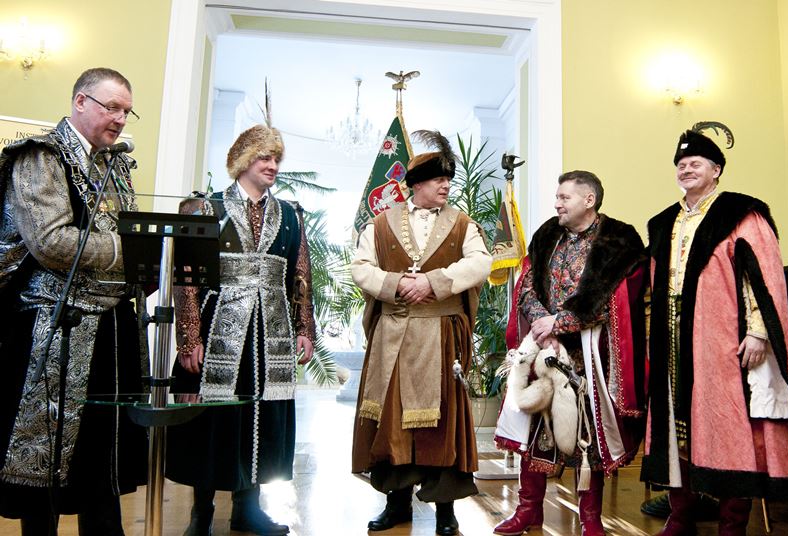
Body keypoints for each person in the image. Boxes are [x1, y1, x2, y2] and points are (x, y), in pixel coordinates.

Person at [0, 67, 148, 535]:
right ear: (80, 101)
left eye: (127, 111)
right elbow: (51, 242)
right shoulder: (39, 157)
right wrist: (130, 252)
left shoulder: (114, 165)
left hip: (110, 329)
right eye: (112, 107)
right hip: (51, 326)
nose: (120, 119)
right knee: (44, 459)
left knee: (101, 458)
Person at [641, 124, 788, 535]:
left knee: (728, 426)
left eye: (696, 163)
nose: (686, 169)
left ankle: (732, 524)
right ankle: (681, 516)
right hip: (671, 338)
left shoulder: (741, 214)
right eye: (681, 164)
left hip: (721, 338)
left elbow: (764, 277)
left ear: (716, 170)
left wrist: (759, 330)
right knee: (674, 427)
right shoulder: (663, 222)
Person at [166, 123, 315, 536]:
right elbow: (187, 277)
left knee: (262, 415)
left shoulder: (290, 215)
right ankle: (202, 512)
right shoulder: (206, 209)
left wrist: (304, 327)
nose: (272, 165)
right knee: (212, 417)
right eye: (264, 157)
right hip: (219, 328)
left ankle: (247, 509)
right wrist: (190, 336)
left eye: (276, 158)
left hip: (271, 331)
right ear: (242, 160)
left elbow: (301, 275)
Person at [351, 130, 492, 536]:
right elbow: (361, 267)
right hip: (393, 338)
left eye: (448, 180)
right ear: (416, 185)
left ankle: (446, 512)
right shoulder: (380, 224)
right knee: (394, 421)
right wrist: (397, 284)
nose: (446, 186)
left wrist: (433, 281)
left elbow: (480, 263)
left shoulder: (463, 224)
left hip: (441, 337)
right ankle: (397, 505)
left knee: (443, 423)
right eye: (438, 180)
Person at [494, 170, 648, 536]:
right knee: (534, 430)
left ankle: (589, 517)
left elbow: (614, 300)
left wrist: (559, 323)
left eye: (564, 197)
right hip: (543, 348)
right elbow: (526, 286)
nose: (557, 204)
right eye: (557, 197)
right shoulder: (547, 235)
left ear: (588, 200)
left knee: (588, 437)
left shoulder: (619, 241)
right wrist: (543, 325)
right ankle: (528, 509)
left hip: (591, 355)